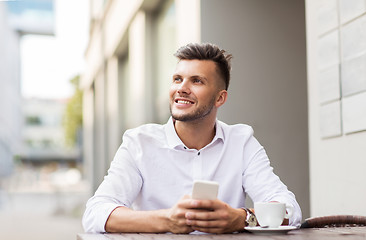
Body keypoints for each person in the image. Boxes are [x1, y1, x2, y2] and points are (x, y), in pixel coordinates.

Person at [82, 42, 302, 234]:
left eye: (196, 81)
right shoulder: (138, 142)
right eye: (177, 79)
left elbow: (289, 209)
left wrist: (241, 218)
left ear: (220, 98)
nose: (182, 88)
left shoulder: (241, 141)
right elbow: (95, 213)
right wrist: (167, 220)